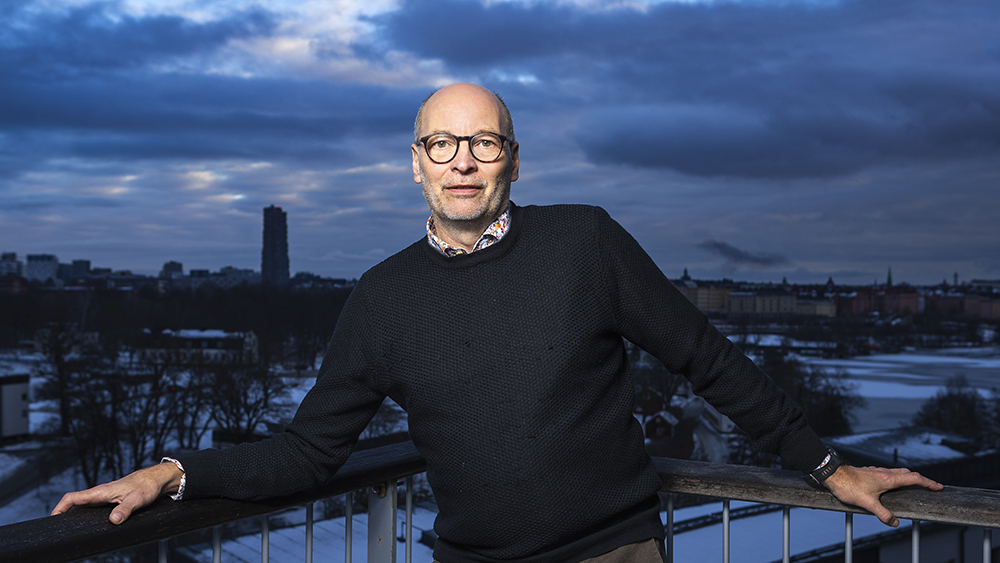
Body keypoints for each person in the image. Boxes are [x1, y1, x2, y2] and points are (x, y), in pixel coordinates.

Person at [53, 83, 943, 563]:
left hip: (614, 553)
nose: (464, 161)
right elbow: (307, 453)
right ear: (416, 165)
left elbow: (706, 358)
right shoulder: (381, 296)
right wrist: (170, 471)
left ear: (512, 158)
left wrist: (826, 465)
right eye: (443, 143)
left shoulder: (585, 241)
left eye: (484, 142)